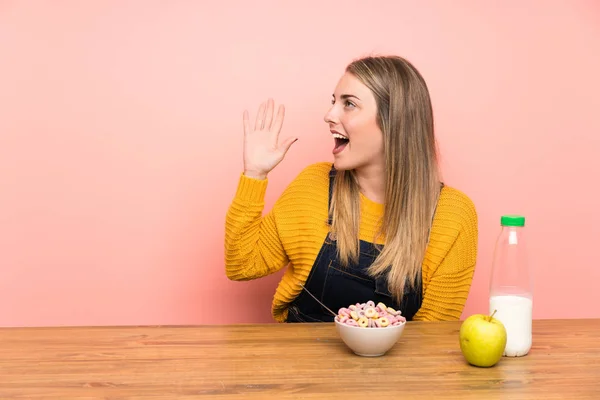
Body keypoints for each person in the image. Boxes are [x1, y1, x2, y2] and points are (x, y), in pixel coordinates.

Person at [224, 55, 478, 323]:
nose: (329, 115)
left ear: (394, 121)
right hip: (298, 359)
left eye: (349, 104)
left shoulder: (452, 216)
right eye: (334, 102)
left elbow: (430, 337)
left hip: (395, 365)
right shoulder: (313, 185)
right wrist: (255, 174)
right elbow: (242, 264)